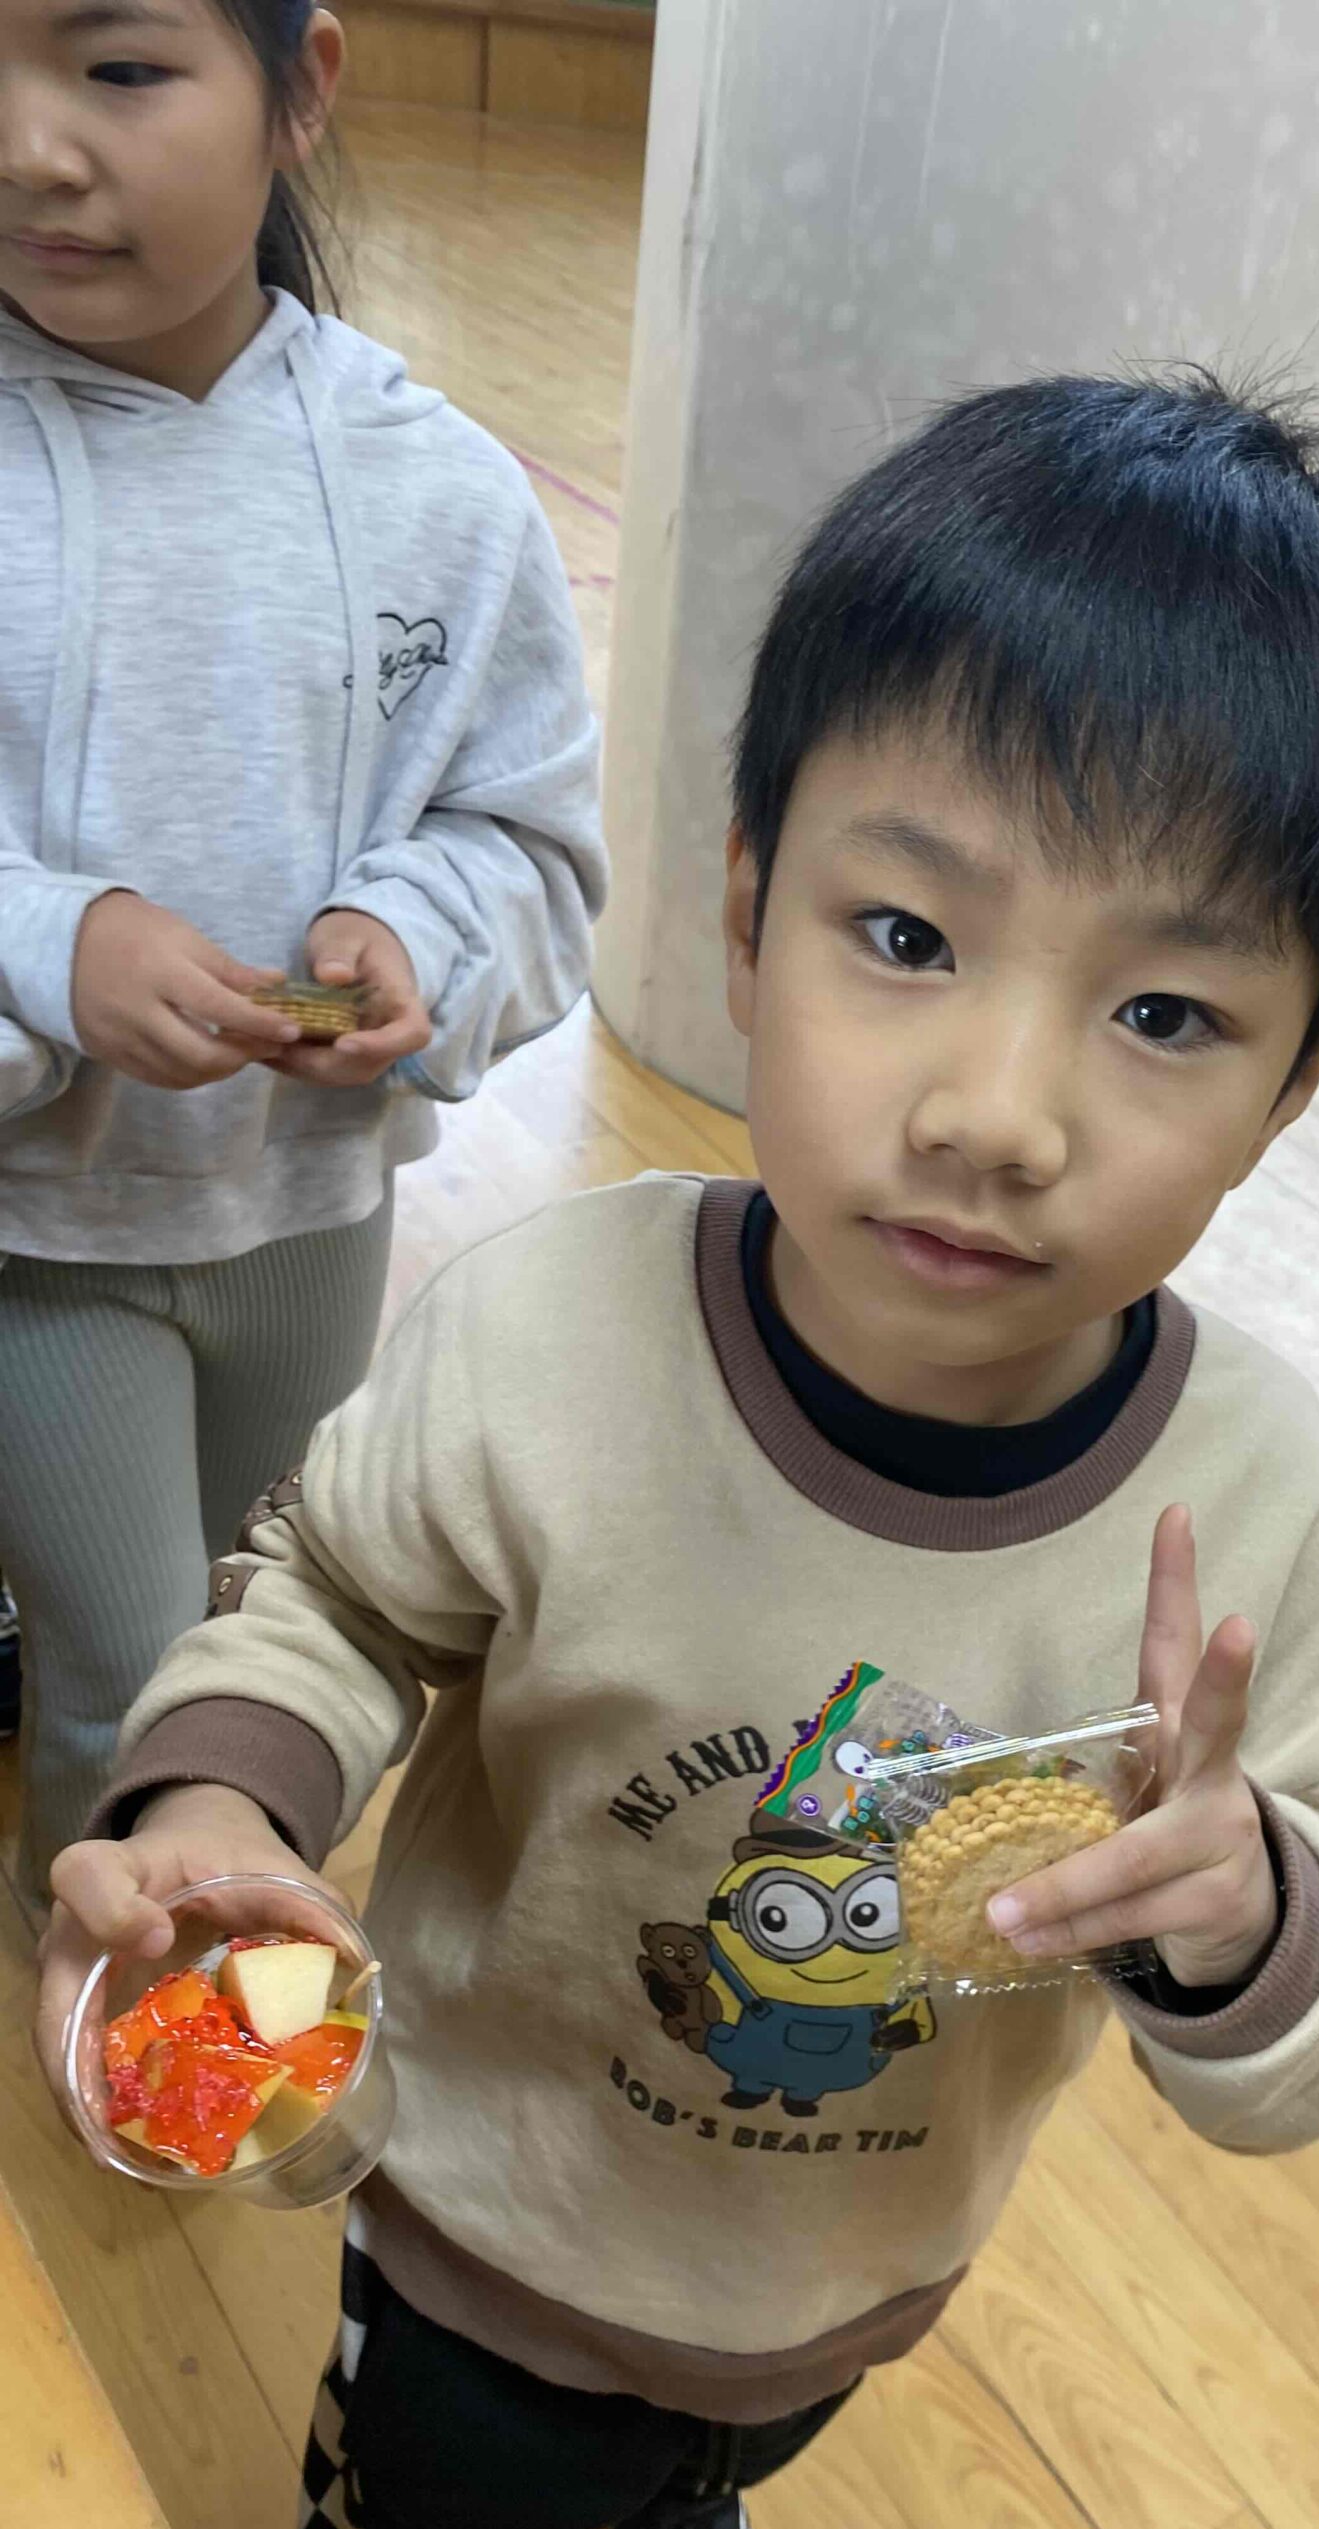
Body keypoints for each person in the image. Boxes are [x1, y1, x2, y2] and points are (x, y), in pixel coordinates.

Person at [40, 368, 1319, 2529]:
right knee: (442, 2503)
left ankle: (692, 2492)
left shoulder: (1254, 1504)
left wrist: (1256, 1902)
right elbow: (328, 1593)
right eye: (906, 939)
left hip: (849, 2280)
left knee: (720, 2459)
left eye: (1166, 1013)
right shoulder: (553, 1335)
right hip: (477, 2237)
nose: (996, 1114)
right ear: (745, 906)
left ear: (1303, 1077)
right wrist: (222, 1801)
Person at [0, 0, 607, 1896]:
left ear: (301, 88)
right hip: (37, 1242)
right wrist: (48, 948)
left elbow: (528, 839)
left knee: (271, 1624)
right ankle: (109, 1980)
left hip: (313, 1219)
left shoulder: (441, 489)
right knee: (124, 1674)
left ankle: (232, 1951)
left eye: (117, 69)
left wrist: (413, 925)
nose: (28, 149)